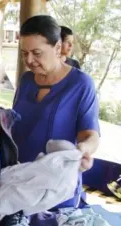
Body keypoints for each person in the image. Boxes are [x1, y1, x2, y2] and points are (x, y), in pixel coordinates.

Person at [13, 15, 100, 209]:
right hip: (21, 183)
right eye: (24, 53)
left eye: (36, 53)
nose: (29, 60)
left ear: (58, 48)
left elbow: (90, 134)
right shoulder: (27, 81)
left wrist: (84, 150)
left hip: (57, 189)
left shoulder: (80, 84)